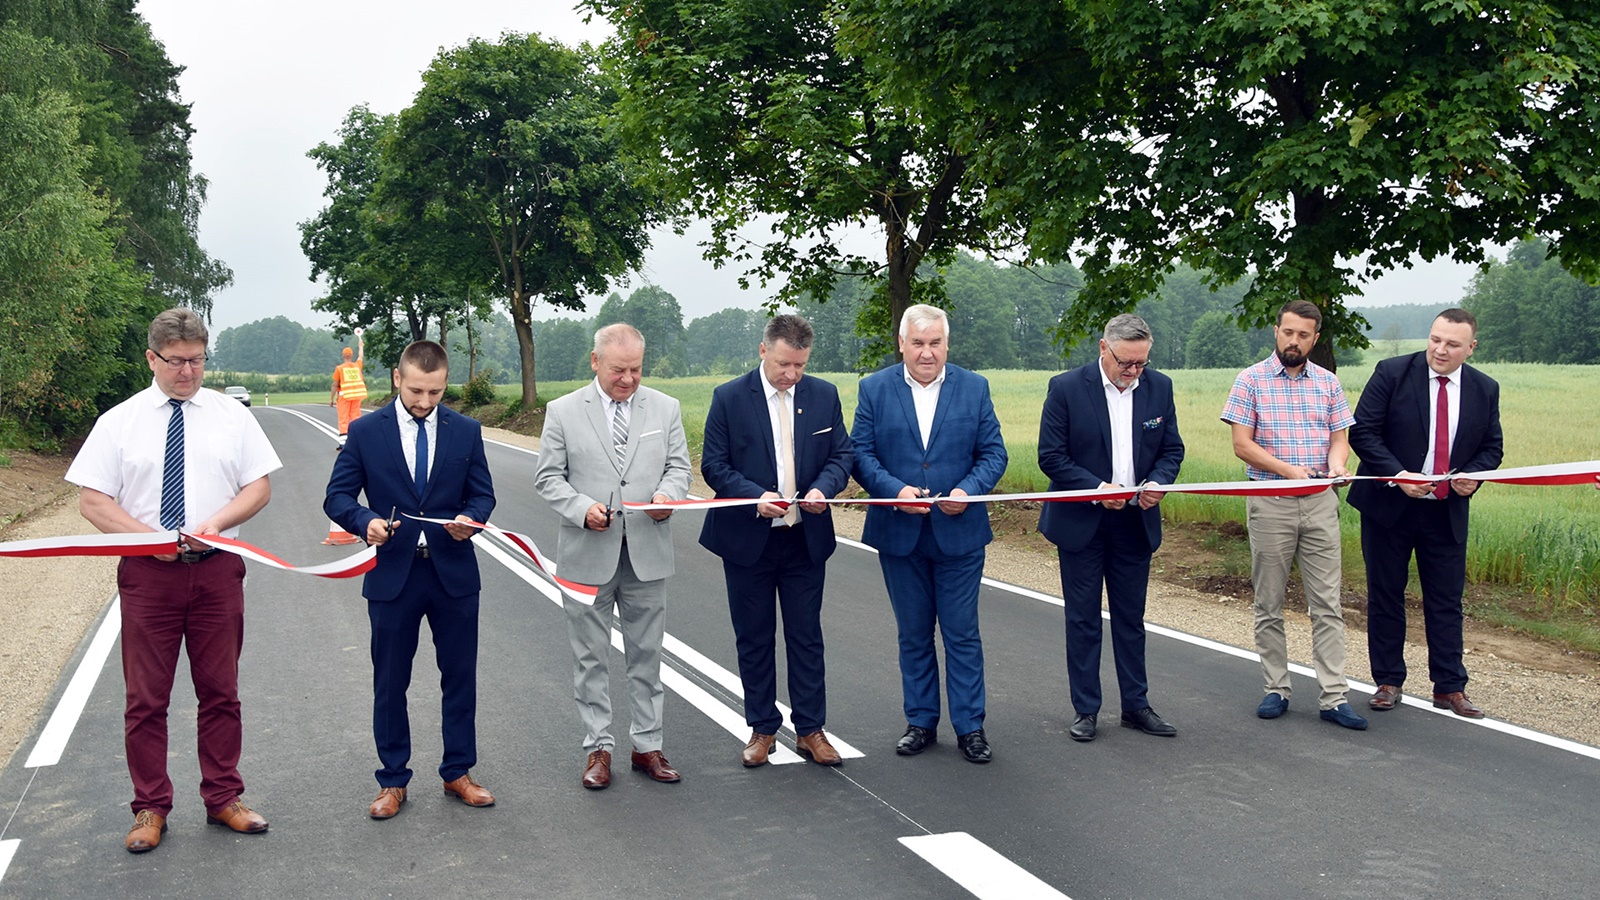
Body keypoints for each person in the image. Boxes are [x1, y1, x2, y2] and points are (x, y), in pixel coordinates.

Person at [65, 308, 281, 853]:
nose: (187, 372)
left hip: (215, 573)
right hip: (148, 577)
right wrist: (146, 538)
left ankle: (224, 798)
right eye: (176, 362)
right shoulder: (119, 421)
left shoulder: (232, 415)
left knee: (221, 692)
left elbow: (259, 487)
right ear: (151, 359)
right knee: (145, 699)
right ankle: (149, 807)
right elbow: (93, 500)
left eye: (197, 361)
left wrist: (218, 524)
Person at [324, 340, 498, 819]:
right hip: (392, 576)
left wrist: (470, 518)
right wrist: (365, 522)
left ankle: (458, 771)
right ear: (398, 379)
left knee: (460, 677)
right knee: (390, 680)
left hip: (454, 574)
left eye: (436, 392)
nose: (424, 402)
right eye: (417, 390)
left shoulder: (466, 432)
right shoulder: (364, 431)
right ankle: (392, 780)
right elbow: (337, 496)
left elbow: (483, 495)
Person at [533, 323, 692, 789]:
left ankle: (648, 746)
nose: (628, 379)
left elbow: (679, 467)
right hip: (587, 554)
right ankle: (598, 748)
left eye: (636, 370)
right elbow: (548, 478)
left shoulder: (666, 407)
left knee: (647, 655)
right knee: (591, 658)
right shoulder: (562, 412)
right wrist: (583, 510)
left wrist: (667, 495)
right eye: (619, 370)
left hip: (647, 551)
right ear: (595, 361)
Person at [852, 304, 1009, 763]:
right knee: (914, 633)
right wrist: (894, 490)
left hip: (960, 532)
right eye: (917, 343)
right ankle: (921, 721)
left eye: (934, 343)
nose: (926, 353)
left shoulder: (974, 388)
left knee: (962, 633)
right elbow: (861, 454)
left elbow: (993, 453)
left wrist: (969, 489)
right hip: (899, 532)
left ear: (946, 344)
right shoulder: (874, 389)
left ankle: (970, 727)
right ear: (901, 343)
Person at [699, 315, 854, 767]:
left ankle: (810, 729)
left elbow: (842, 454)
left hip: (804, 538)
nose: (792, 375)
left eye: (800, 367)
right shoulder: (728, 398)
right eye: (785, 364)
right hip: (749, 539)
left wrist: (824, 488)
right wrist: (755, 497)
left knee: (807, 636)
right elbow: (714, 465)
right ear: (764, 350)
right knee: (754, 636)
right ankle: (762, 728)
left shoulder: (822, 395)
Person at [1348, 308, 1503, 718]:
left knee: (1446, 600)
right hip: (1390, 507)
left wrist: (1475, 475)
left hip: (1446, 510)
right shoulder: (1392, 373)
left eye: (1452, 344)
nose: (1440, 349)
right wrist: (1398, 475)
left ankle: (1449, 687)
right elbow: (1363, 431)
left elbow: (1492, 447)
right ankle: (1387, 680)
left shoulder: (1485, 389)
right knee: (1385, 594)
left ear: (1471, 348)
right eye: (1435, 339)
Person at [1037, 314, 1185, 743]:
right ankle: (1086, 709)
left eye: (1141, 363)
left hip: (1135, 520)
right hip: (1082, 522)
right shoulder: (1065, 388)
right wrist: (1096, 488)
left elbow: (1172, 449)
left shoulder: (1160, 387)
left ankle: (1136, 706)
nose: (1134, 372)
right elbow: (1052, 456)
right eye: (1126, 363)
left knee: (1131, 618)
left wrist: (1159, 481)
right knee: (1083, 619)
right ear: (1104, 348)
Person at [1220, 300, 1368, 730]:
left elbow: (1340, 439)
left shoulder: (1328, 383)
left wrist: (1338, 465)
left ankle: (1334, 696)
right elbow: (1242, 445)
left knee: (1328, 603)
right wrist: (1288, 472)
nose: (1294, 341)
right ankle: (1276, 688)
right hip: (1271, 502)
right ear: (1276, 332)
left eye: (1303, 335)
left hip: (1321, 502)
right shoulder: (1250, 381)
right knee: (1269, 601)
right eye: (1288, 332)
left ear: (1315, 339)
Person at [330, 329, 367, 443]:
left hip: (344, 396)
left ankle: (343, 443)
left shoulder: (339, 368)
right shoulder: (357, 366)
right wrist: (361, 346)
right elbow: (361, 356)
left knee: (343, 419)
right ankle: (359, 440)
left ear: (343, 355)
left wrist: (331, 399)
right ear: (352, 355)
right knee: (356, 418)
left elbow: (335, 385)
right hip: (356, 397)